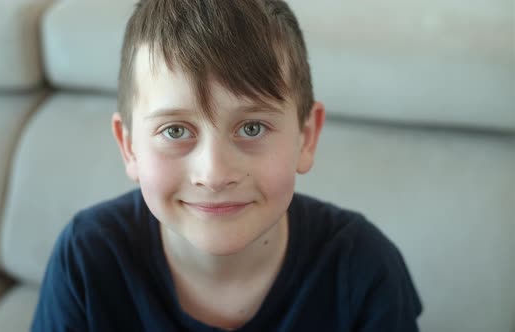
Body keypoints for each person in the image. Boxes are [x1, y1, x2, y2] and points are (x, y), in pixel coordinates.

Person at [31, 0, 423, 331]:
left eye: (251, 127)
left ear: (307, 137)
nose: (215, 174)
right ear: (129, 146)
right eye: (175, 130)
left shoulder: (363, 267)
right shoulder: (86, 258)